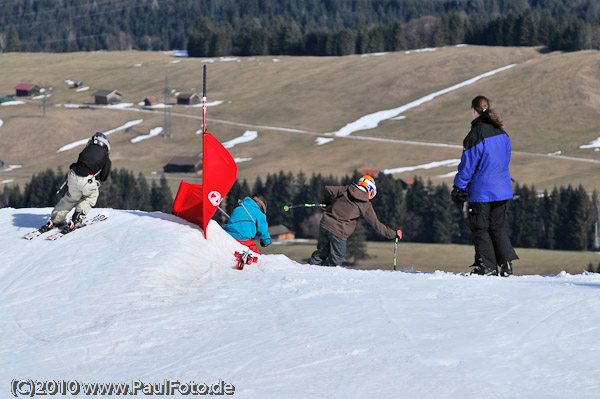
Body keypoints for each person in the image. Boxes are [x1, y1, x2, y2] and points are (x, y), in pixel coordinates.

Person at [451, 95, 518, 277]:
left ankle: (486, 266)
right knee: (497, 227)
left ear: (473, 110)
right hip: (502, 189)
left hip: (482, 191)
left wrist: (458, 188)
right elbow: (505, 159)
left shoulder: (476, 134)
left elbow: (467, 165)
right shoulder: (502, 134)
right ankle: (506, 265)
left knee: (479, 228)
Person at [309, 175, 402, 267]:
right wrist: (394, 234)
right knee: (336, 260)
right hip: (339, 232)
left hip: (325, 224)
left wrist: (326, 203)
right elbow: (376, 225)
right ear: (371, 191)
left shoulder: (347, 189)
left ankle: (309, 273)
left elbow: (328, 189)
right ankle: (329, 280)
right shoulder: (365, 205)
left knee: (321, 253)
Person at [40, 132, 112, 232]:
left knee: (71, 198)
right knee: (90, 196)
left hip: (73, 176)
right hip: (87, 180)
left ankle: (56, 219)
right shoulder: (105, 155)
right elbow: (104, 177)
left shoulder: (86, 150)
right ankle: (78, 217)